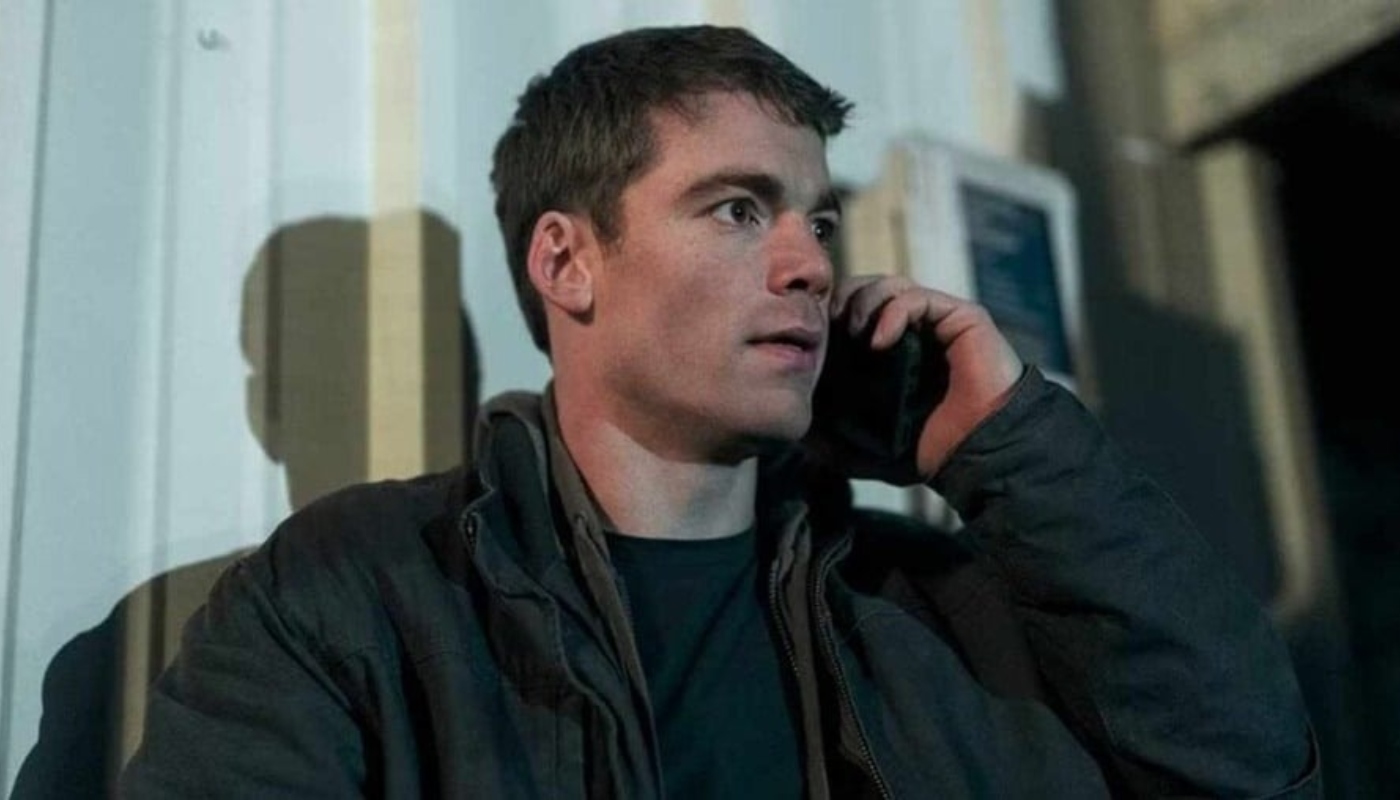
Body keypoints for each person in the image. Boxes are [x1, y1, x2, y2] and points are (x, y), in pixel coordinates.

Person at [120, 25, 1319, 798]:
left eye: (817, 220)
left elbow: (1247, 769)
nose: (808, 265)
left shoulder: (935, 603)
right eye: (738, 209)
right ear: (566, 261)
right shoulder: (353, 593)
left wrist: (1008, 443)